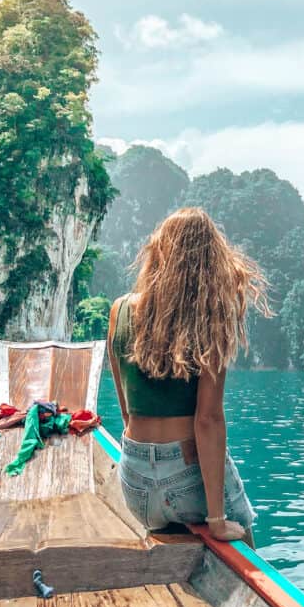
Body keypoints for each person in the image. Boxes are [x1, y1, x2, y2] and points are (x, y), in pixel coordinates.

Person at [108, 207, 272, 544]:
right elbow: (208, 421)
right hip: (184, 479)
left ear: (158, 251)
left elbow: (126, 410)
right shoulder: (210, 318)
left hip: (135, 484)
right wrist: (217, 521)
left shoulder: (120, 309)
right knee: (243, 532)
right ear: (211, 260)